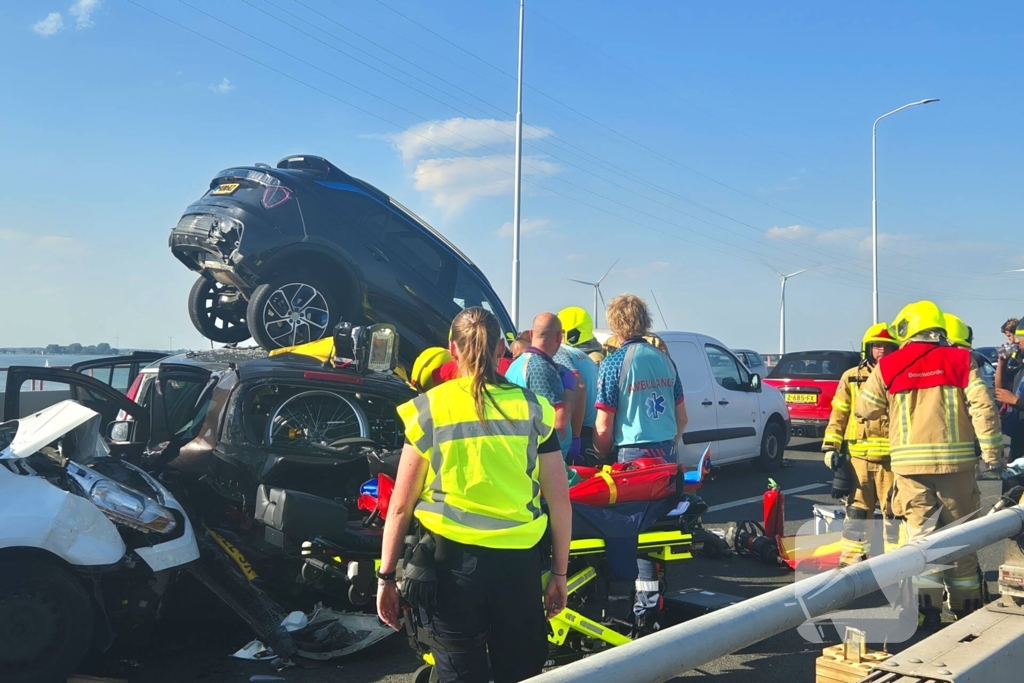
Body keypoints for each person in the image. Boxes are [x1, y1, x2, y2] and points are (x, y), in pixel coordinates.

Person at [376, 307, 572, 683]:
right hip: (518, 569)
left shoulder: (429, 409)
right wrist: (559, 575)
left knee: (458, 673)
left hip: (451, 569)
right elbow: (559, 502)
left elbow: (400, 506)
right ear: (503, 349)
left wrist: (386, 578)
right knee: (519, 672)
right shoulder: (533, 409)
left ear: (452, 348)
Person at [855, 300, 1004, 627]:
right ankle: (967, 611)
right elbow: (984, 410)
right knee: (960, 540)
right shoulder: (961, 359)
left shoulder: (890, 365)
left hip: (909, 470)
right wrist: (994, 456)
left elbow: (865, 409)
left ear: (907, 327)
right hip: (956, 467)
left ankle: (927, 613)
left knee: (921, 543)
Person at [592, 294, 688, 630]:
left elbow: (604, 425)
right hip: (666, 453)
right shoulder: (665, 361)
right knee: (656, 534)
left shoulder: (614, 363)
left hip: (632, 456)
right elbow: (682, 418)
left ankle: (633, 613)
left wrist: (600, 453)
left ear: (615, 325)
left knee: (628, 531)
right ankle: (652, 605)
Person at [821, 323, 899, 565]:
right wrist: (831, 447)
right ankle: (851, 562)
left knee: (895, 516)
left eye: (887, 347)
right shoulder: (852, 376)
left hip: (892, 460)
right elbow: (839, 414)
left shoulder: (901, 376)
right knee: (856, 513)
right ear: (868, 348)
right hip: (859, 459)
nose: (882, 351)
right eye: (877, 346)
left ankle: (896, 564)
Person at [506, 313, 576, 459]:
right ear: (559, 338)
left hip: (522, 450)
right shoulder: (542, 368)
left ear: (531, 334)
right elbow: (559, 422)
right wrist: (568, 393)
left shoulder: (516, 365)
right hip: (543, 459)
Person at [553, 336, 600, 462]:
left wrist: (574, 438)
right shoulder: (581, 355)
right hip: (592, 432)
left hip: (579, 432)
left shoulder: (559, 352)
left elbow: (579, 386)